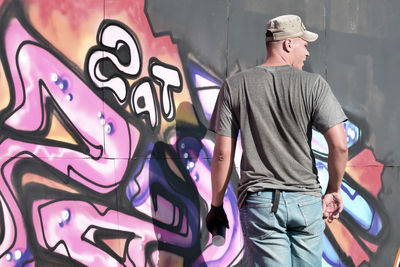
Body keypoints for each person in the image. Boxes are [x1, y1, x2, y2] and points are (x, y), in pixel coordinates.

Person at [206, 14, 348, 266]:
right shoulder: (314, 85)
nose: (308, 53)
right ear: (288, 44)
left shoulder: (234, 86)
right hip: (306, 201)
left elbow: (221, 154)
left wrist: (216, 207)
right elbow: (339, 145)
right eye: (304, 44)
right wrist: (333, 190)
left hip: (261, 204)